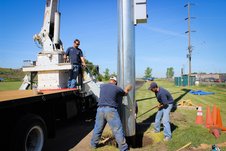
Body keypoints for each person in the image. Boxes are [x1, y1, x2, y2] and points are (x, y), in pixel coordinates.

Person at [90, 76, 132, 151]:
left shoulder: (102, 86)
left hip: (100, 110)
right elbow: (125, 93)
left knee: (97, 128)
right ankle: (123, 148)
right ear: (115, 82)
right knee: (117, 129)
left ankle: (93, 145)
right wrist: (127, 89)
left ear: (110, 80)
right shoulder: (116, 88)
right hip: (110, 111)